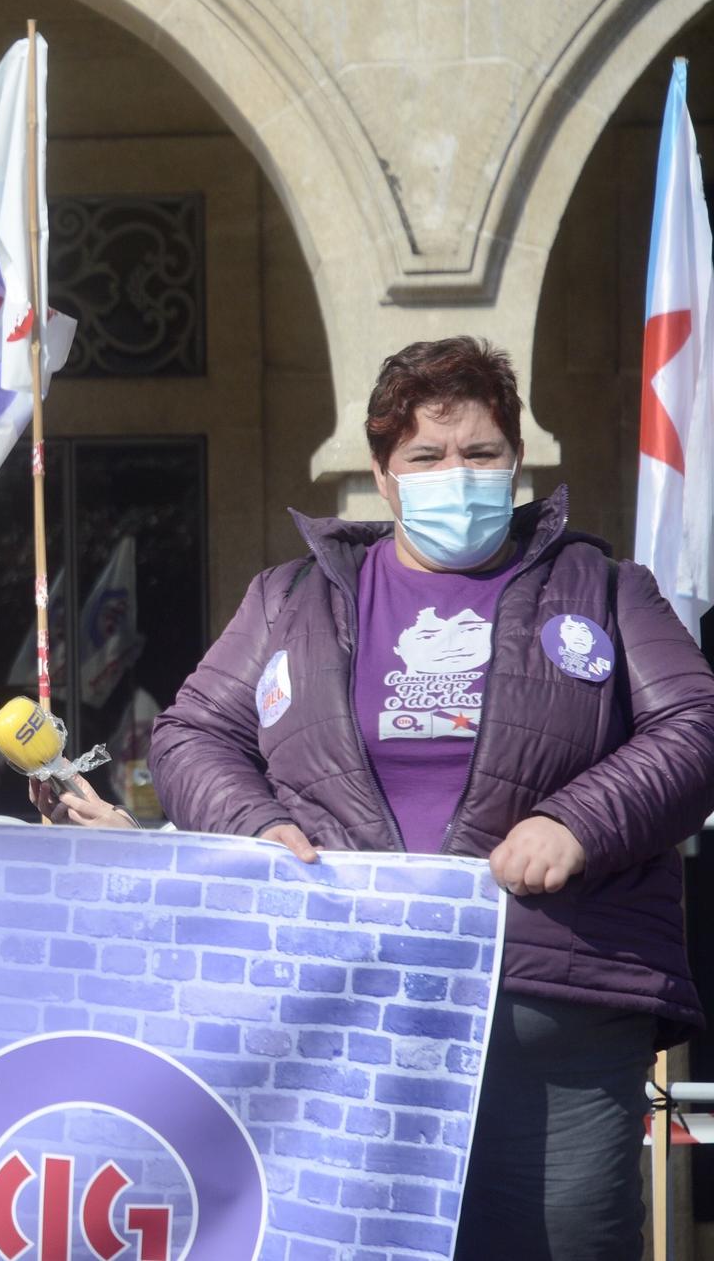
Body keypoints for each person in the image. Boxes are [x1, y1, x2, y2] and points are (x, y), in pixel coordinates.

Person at [147, 336, 714, 1260]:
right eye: (428, 455)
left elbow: (695, 725)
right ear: (382, 472)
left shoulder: (608, 591)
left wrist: (579, 819)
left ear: (517, 460)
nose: (459, 473)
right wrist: (256, 823)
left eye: (482, 452)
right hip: (348, 1000)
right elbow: (190, 735)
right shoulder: (288, 601)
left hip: (554, 1000)